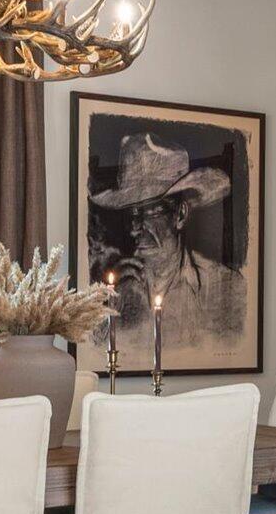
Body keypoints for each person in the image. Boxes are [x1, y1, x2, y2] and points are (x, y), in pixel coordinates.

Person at [91, 134, 247, 355]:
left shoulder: (224, 288)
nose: (135, 229)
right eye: (132, 214)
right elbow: (97, 352)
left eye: (149, 212)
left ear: (180, 215)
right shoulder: (116, 291)